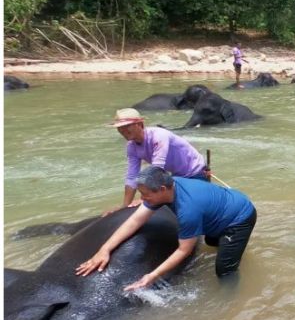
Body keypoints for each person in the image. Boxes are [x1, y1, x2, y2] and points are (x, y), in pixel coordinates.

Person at [77, 166, 257, 289]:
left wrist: (152, 276)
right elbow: (134, 221)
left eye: (146, 195)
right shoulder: (167, 189)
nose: (142, 198)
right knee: (211, 240)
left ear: (162, 189)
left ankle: (230, 300)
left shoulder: (188, 209)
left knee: (224, 271)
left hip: (239, 217)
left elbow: (183, 251)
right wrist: (105, 249)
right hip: (222, 208)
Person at [107, 108, 208, 214]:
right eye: (119, 128)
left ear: (140, 124)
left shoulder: (158, 136)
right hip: (176, 176)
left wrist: (145, 199)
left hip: (195, 172)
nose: (122, 131)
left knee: (191, 210)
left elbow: (157, 169)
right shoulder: (131, 146)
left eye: (126, 126)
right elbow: (132, 176)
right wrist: (125, 206)